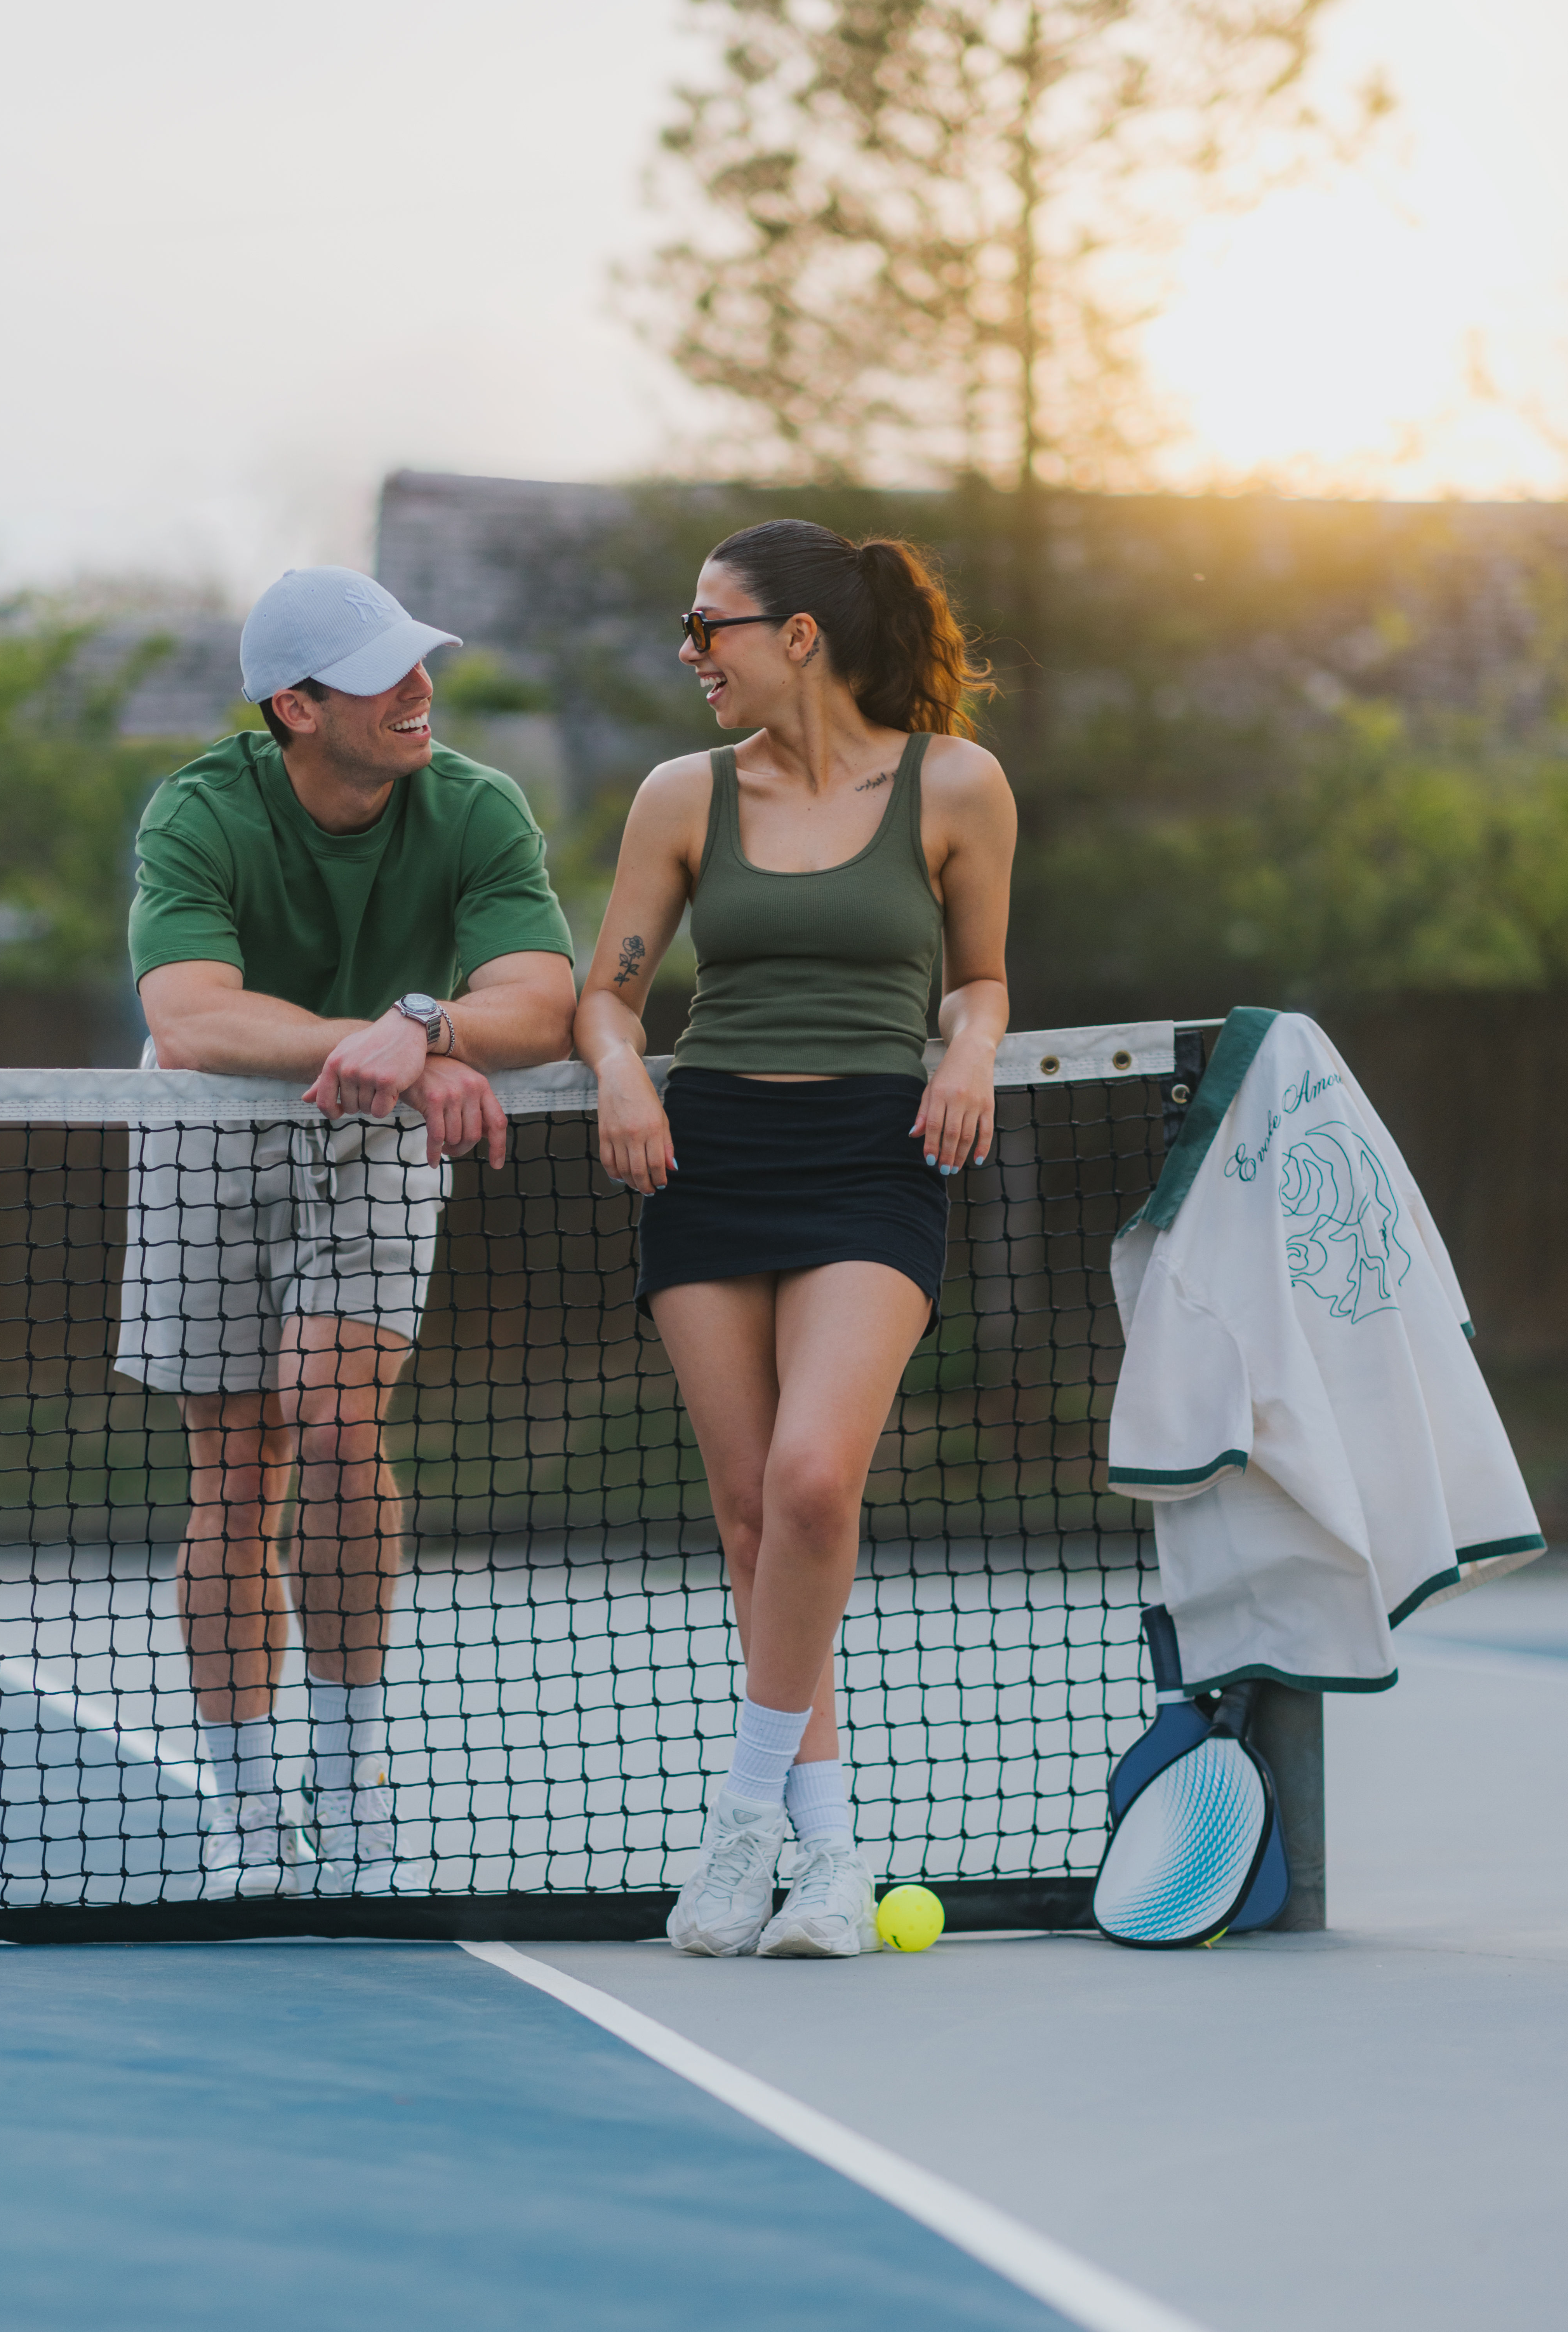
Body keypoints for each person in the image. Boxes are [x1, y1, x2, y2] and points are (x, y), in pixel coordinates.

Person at [574, 519, 1014, 1958]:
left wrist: (966, 1052)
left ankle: (741, 1826)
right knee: (754, 1514)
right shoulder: (678, 795)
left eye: (711, 626)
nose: (689, 653)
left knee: (817, 1482)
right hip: (707, 1160)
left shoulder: (956, 785)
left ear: (799, 636)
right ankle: (827, 1863)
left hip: (873, 1160)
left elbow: (985, 979)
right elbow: (608, 993)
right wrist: (627, 1073)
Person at [116, 566, 575, 1896]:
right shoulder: (200, 809)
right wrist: (387, 1044)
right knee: (234, 1467)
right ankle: (248, 1811)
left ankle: (347, 1782)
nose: (419, 686)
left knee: (333, 1421)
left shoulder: (476, 806)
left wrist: (420, 1026)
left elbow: (540, 1000)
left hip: (376, 1132)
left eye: (418, 658)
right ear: (297, 706)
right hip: (210, 1119)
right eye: (382, 672)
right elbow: (193, 1015)